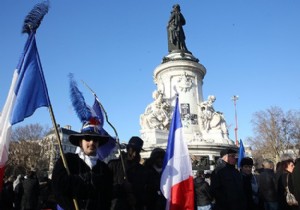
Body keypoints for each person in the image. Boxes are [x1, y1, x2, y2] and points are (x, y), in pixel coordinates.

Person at [52, 122, 113, 210]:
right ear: (80, 142)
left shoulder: (104, 168)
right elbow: (58, 185)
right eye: (88, 138)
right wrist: (84, 179)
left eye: (95, 139)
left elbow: (107, 197)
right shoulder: (67, 160)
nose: (92, 142)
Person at [108, 136, 149, 210]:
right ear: (127, 149)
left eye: (137, 151)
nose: (134, 154)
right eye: (132, 150)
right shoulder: (113, 165)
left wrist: (136, 198)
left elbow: (145, 191)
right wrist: (122, 189)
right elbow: (106, 189)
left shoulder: (143, 170)